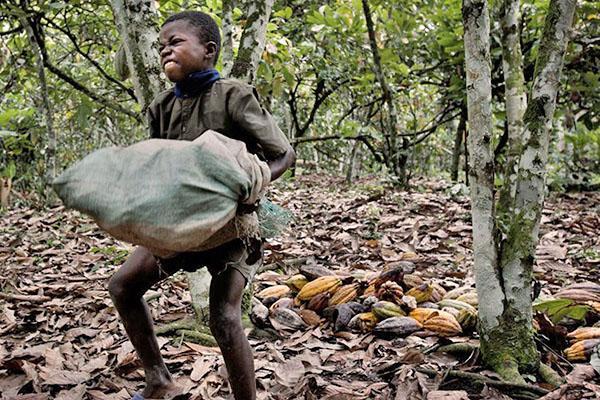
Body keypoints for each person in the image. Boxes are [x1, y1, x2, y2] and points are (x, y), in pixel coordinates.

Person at [108, 10, 295, 400]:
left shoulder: (233, 95)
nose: (165, 51)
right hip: (182, 225)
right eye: (161, 46)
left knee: (224, 318)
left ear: (208, 51)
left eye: (175, 42)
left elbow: (283, 154)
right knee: (123, 286)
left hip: (233, 228)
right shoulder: (161, 106)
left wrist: (251, 184)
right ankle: (158, 380)